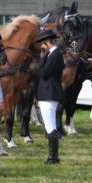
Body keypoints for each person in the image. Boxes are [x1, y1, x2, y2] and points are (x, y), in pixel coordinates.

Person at [35, 29, 65, 165]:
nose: (42, 47)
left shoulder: (54, 55)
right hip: (48, 93)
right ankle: (52, 156)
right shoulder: (53, 54)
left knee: (50, 126)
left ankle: (54, 157)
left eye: (43, 44)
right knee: (49, 126)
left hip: (49, 93)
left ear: (47, 43)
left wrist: (42, 58)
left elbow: (44, 73)